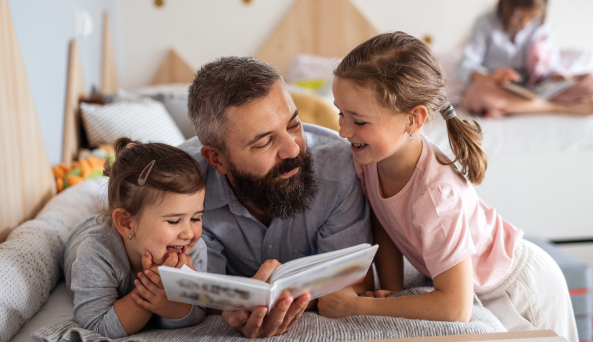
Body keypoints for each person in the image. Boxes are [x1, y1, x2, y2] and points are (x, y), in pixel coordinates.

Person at [317, 32, 578, 342]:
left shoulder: (436, 195)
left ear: (413, 120)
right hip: (482, 285)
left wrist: (358, 307)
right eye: (340, 114)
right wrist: (394, 292)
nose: (343, 131)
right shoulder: (369, 158)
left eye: (359, 121)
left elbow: (455, 308)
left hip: (519, 290)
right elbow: (384, 220)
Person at [180, 56, 372, 338]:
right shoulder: (181, 188)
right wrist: (236, 308)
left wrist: (283, 300)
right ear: (217, 159)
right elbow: (198, 295)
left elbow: (356, 282)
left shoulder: (340, 168)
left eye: (293, 125)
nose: (292, 150)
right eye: (264, 142)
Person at [63, 138, 208, 339]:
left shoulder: (194, 249)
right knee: (91, 223)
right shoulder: (96, 253)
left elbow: (200, 311)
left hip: (124, 228)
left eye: (196, 218)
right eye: (174, 221)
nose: (189, 234)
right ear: (126, 223)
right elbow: (94, 325)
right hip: (80, 236)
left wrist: (174, 303)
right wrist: (149, 289)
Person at [456, 0, 593, 117]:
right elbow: (464, 66)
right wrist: (491, 76)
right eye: (518, 17)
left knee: (591, 81)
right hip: (499, 87)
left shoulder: (541, 26)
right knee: (479, 93)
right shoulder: (485, 23)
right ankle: (562, 108)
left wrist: (558, 76)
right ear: (506, 6)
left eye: (531, 17)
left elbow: (553, 61)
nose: (525, 23)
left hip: (536, 88)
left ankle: (510, 108)